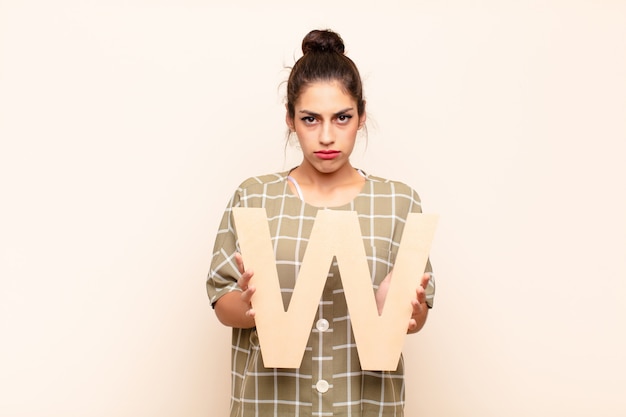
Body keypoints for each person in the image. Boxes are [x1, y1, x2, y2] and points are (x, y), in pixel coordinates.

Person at [207, 28, 435, 417]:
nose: (326, 136)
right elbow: (220, 299)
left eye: (342, 118)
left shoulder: (399, 202)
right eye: (310, 119)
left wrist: (399, 311)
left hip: (363, 405)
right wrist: (249, 304)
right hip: (272, 405)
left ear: (361, 116)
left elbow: (416, 316)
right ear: (290, 119)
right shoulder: (254, 197)